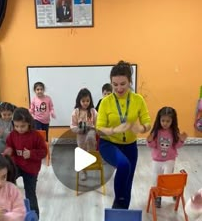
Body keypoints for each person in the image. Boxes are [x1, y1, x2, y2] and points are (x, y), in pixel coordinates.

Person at [96, 60, 151, 210]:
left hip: (130, 146)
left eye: (123, 84)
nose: (119, 88)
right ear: (111, 83)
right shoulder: (105, 102)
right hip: (108, 144)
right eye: (115, 84)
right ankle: (118, 203)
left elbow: (147, 123)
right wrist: (114, 130)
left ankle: (122, 213)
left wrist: (140, 128)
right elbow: (99, 128)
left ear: (130, 82)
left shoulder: (138, 100)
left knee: (128, 180)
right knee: (123, 164)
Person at [4, 107, 47, 219]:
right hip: (17, 166)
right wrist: (9, 150)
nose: (19, 129)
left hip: (31, 170)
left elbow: (44, 152)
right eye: (17, 126)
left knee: (30, 194)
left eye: (22, 126)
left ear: (29, 123)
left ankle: (34, 218)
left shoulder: (36, 136)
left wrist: (31, 154)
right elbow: (9, 145)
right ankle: (12, 209)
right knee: (8, 182)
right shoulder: (13, 135)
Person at [147, 106, 187, 208]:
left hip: (169, 159)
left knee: (167, 178)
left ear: (172, 121)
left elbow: (177, 146)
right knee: (155, 178)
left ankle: (172, 192)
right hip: (157, 159)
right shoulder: (156, 132)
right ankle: (157, 196)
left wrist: (181, 140)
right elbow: (152, 146)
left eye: (168, 121)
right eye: (163, 120)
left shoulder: (174, 132)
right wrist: (150, 140)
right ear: (159, 120)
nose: (165, 123)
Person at [70, 88, 97, 181]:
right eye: (83, 101)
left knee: (90, 138)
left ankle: (91, 156)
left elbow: (97, 124)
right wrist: (79, 130)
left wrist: (94, 129)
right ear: (79, 101)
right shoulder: (76, 112)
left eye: (88, 101)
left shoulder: (93, 111)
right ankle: (83, 171)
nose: (86, 103)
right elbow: (72, 126)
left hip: (91, 131)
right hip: (80, 134)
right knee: (81, 152)